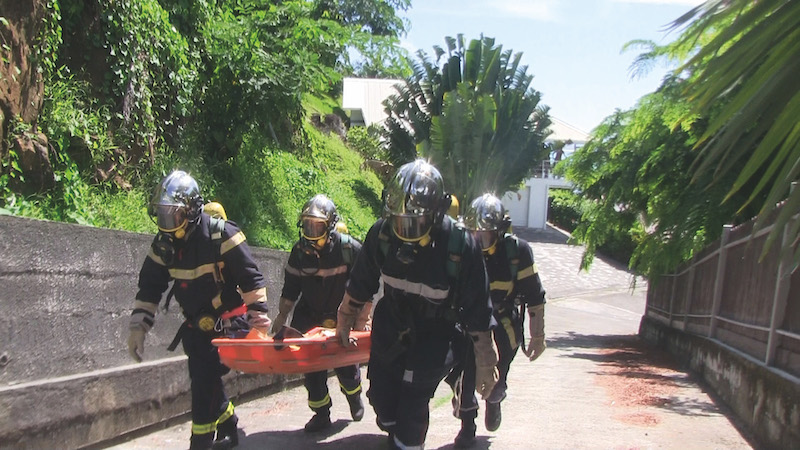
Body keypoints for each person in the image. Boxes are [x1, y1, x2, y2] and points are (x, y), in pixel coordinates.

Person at [335, 159, 499, 449]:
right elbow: (361, 282)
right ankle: (396, 431)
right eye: (400, 220)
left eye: (414, 222)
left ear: (437, 212)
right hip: (392, 324)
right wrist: (345, 318)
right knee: (383, 402)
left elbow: (478, 310)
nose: (406, 228)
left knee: (413, 401)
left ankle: (407, 442)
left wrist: (487, 363)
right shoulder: (383, 234)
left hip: (436, 333)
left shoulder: (460, 245)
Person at [127, 170, 271, 450]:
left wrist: (259, 325)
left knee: (204, 379)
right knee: (204, 376)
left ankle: (200, 442)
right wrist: (138, 327)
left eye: (174, 215)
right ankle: (229, 426)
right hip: (196, 325)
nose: (168, 224)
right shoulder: (164, 244)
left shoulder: (221, 234)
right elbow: (150, 286)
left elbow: (251, 278)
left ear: (192, 210)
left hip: (231, 323)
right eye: (163, 215)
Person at [445, 193, 546, 447]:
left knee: (496, 376)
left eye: (485, 234)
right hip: (468, 321)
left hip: (503, 324)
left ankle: (495, 397)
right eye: (474, 234)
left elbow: (535, 295)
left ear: (499, 232)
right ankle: (467, 425)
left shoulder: (517, 252)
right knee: (465, 374)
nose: (478, 240)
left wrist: (538, 335)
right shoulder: (462, 249)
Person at [270, 194, 369, 432]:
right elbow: (290, 288)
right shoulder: (298, 252)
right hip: (309, 316)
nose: (311, 232)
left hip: (340, 315)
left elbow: (365, 287)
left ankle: (354, 396)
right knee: (311, 367)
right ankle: (321, 414)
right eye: (307, 225)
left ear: (331, 225)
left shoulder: (349, 249)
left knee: (345, 365)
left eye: (318, 226)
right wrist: (281, 319)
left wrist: (360, 321)